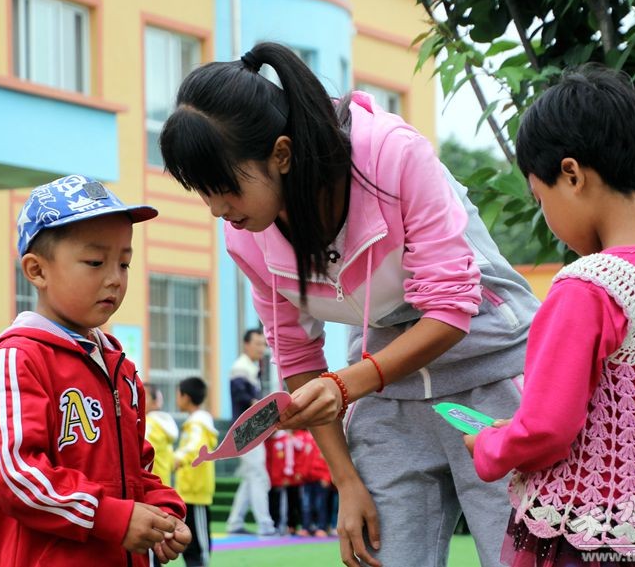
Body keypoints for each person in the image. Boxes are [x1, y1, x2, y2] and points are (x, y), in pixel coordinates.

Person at [159, 41, 539, 567]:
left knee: (521, 557)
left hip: (490, 372)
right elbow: (297, 357)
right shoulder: (246, 236)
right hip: (387, 394)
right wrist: (346, 480)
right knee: (380, 555)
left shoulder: (392, 156)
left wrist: (344, 385)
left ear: (282, 154)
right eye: (203, 192)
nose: (217, 208)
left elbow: (451, 310)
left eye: (225, 187)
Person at [466, 66, 635, 565]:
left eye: (540, 199)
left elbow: (546, 429)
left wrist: (491, 445)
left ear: (572, 174)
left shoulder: (588, 287)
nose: (548, 219)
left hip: (590, 538)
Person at [0, 175, 191, 567]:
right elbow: (17, 475)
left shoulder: (119, 366)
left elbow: (137, 468)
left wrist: (162, 510)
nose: (115, 278)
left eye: (124, 263)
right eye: (95, 262)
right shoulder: (16, 359)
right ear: (37, 270)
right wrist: (112, 517)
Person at [226, 328, 277, 536]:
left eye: (263, 344)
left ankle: (235, 522)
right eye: (257, 344)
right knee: (258, 476)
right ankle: (265, 524)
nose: (261, 348)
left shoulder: (250, 367)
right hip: (246, 429)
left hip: (251, 428)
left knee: (251, 476)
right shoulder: (241, 367)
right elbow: (243, 398)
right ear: (246, 344)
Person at [173, 377, 217, 567]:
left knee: (198, 544)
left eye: (178, 394)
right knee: (189, 541)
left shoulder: (199, 424)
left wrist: (177, 458)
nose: (177, 398)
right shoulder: (193, 423)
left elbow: (194, 447)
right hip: (188, 490)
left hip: (196, 491)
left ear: (186, 397)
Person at [144, 383, 179, 487]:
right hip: (162, 484)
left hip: (149, 485)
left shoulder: (150, 425)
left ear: (155, 402)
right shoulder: (163, 425)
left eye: (143, 396)